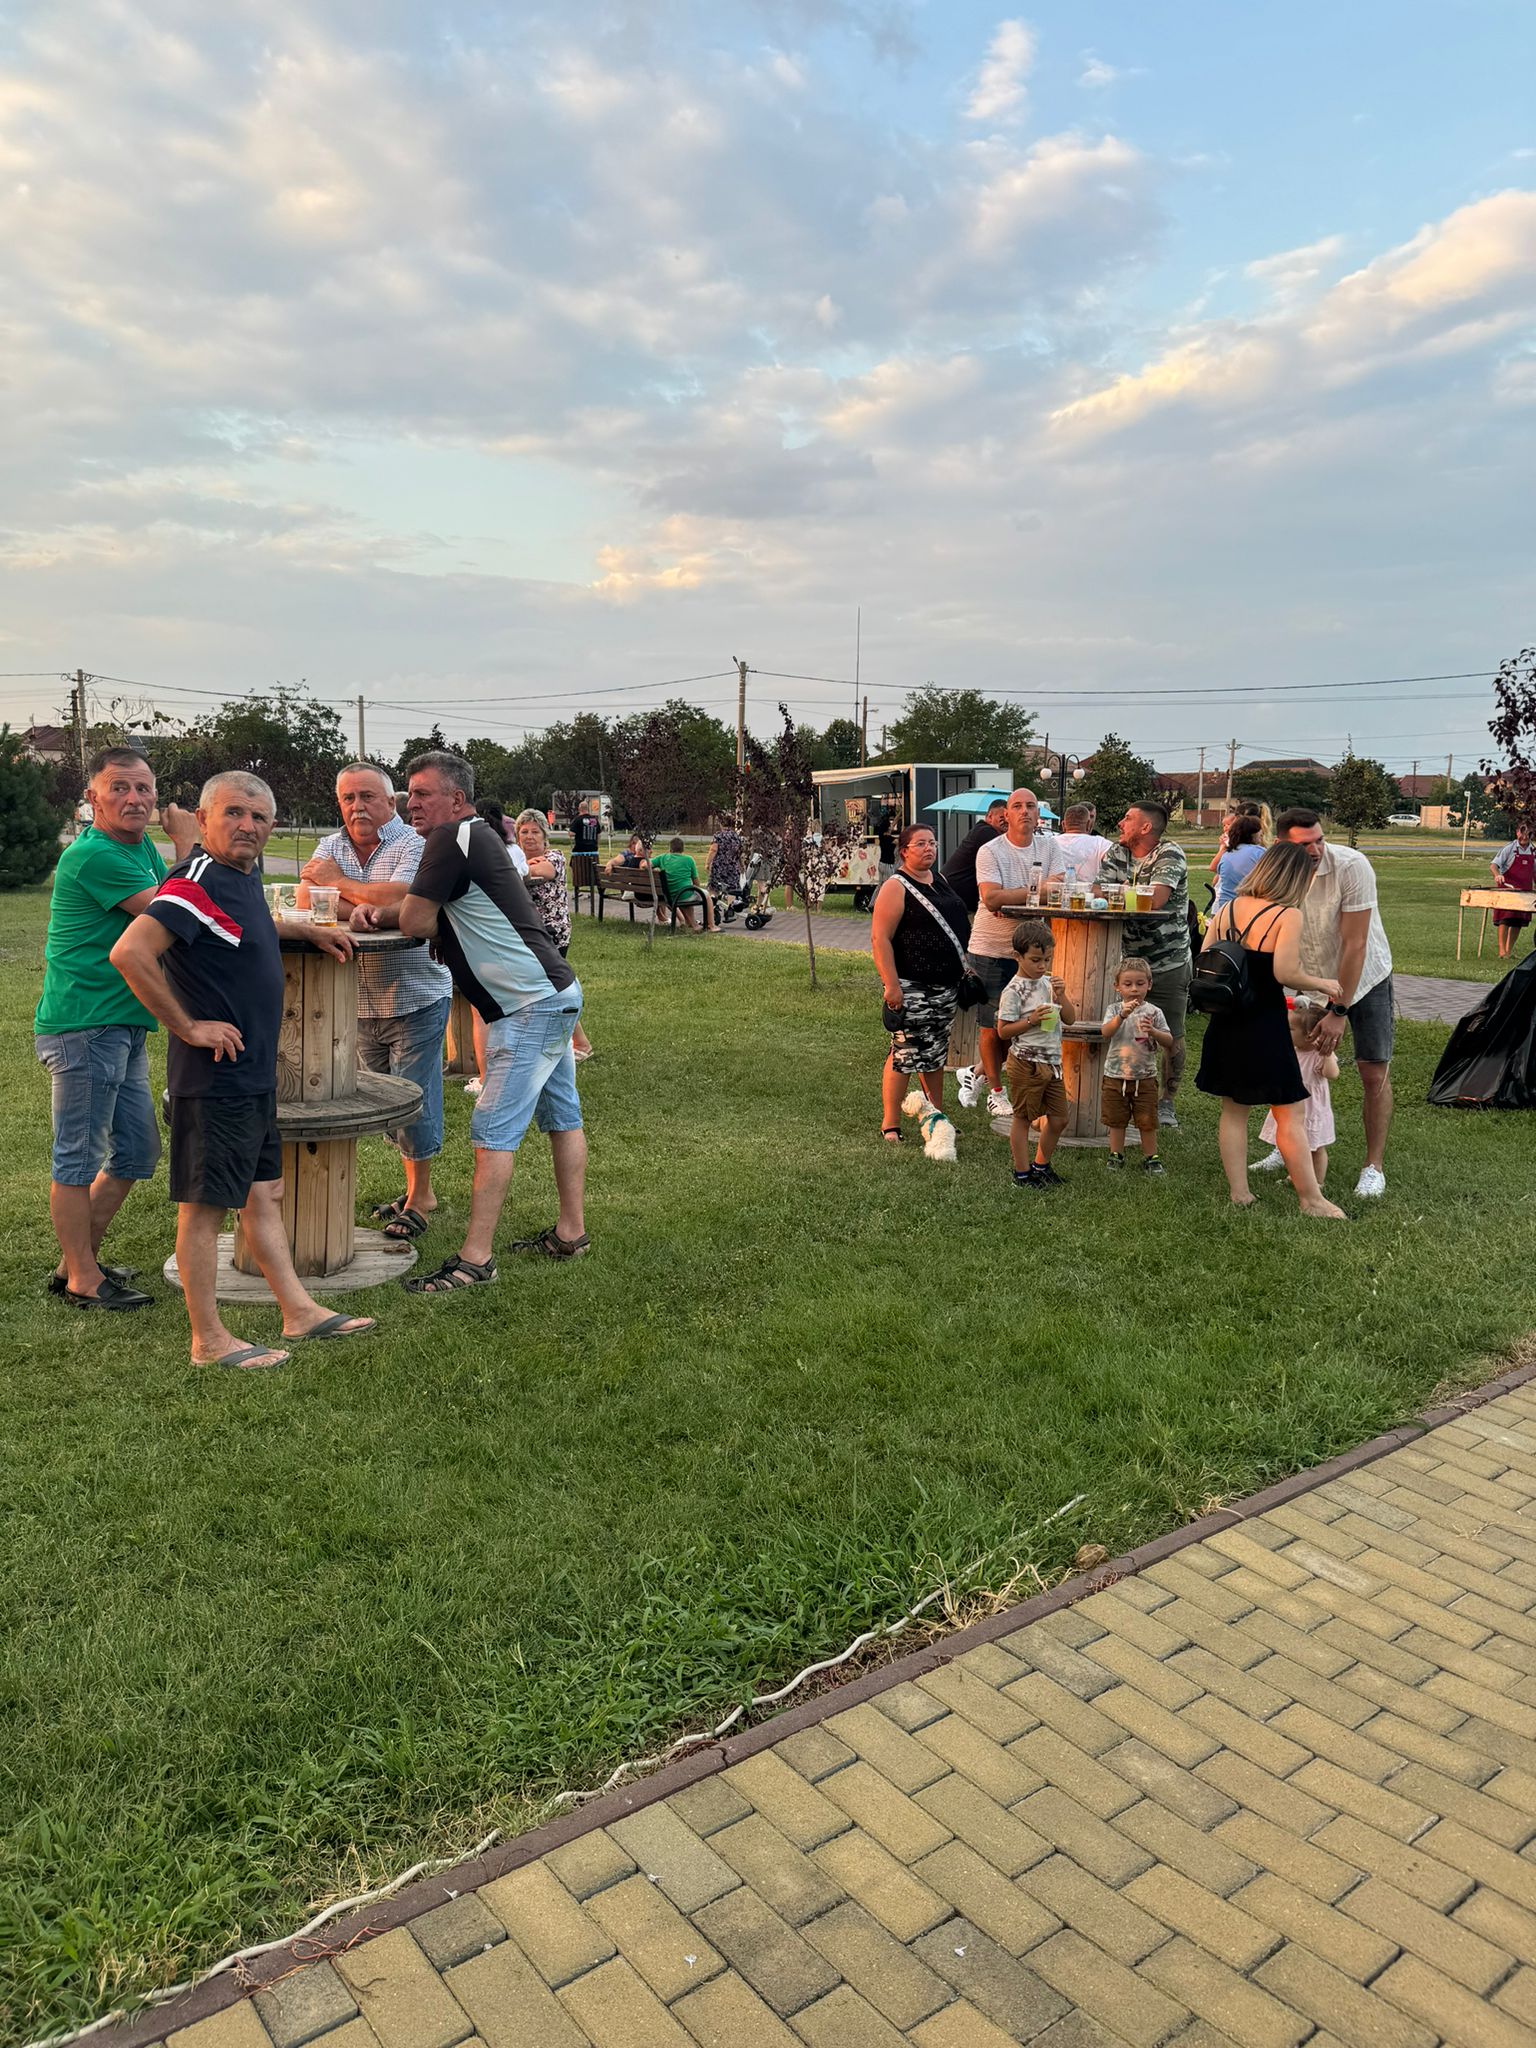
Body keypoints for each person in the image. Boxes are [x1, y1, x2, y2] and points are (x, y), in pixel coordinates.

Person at [110, 772, 377, 1369]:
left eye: (259, 817)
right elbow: (130, 952)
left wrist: (295, 929)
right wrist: (189, 1027)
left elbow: (234, 927)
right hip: (215, 1079)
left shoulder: (241, 877)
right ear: (204, 819)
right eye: (233, 813)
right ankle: (208, 1341)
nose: (247, 826)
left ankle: (299, 1312)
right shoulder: (196, 879)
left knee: (263, 1193)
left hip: (252, 1074)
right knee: (204, 1208)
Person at [352, 751, 588, 1287]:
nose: (411, 803)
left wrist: (389, 913)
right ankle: (571, 1232)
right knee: (562, 1117)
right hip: (556, 991)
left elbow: (417, 918)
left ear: (456, 799)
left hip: (526, 1006)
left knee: (492, 1130)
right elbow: (443, 912)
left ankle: (475, 1260)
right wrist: (397, 915)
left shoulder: (450, 837)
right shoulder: (478, 835)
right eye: (409, 793)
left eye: (423, 793)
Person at [34, 747, 198, 1307]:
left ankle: (74, 1263)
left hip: (121, 1024)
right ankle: (82, 1278)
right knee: (77, 1157)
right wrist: (188, 845)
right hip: (85, 1024)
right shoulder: (94, 856)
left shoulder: (138, 847)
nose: (134, 799)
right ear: (93, 797)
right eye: (119, 787)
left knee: (135, 1151)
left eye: (144, 788)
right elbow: (176, 915)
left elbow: (173, 898)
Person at [301, 763, 454, 1241]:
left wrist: (337, 884)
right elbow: (306, 896)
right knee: (383, 1099)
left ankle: (422, 1196)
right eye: (348, 798)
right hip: (358, 1001)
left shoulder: (414, 843)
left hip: (414, 994)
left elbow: (407, 896)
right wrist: (364, 907)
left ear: (391, 802)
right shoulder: (330, 845)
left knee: (414, 1096)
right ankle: (411, 1189)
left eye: (367, 796)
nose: (357, 807)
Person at [1194, 841, 1347, 1219]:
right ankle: (1311, 1200)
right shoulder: (1287, 915)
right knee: (1290, 1112)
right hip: (1264, 1022)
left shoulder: (1228, 907)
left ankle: (1240, 1193)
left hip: (1227, 1019)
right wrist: (1323, 983)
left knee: (1234, 1110)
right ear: (1295, 878)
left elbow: (1205, 955)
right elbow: (1285, 973)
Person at [1265, 806, 1395, 1198]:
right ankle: (1289, 1144)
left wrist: (1339, 1010)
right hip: (1308, 978)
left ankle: (1373, 1167)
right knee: (1293, 1064)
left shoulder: (1351, 866)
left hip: (1364, 977)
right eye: (1305, 844)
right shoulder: (1276, 870)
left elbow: (1355, 943)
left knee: (1372, 1070)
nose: (1316, 849)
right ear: (1280, 844)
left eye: (1319, 840)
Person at [964, 788, 1065, 1117]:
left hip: (1031, 952)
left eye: (1030, 806)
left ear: (1039, 815)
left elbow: (1059, 888)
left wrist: (1013, 897)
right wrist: (1037, 891)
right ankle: (996, 1092)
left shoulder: (1049, 846)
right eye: (1017, 806)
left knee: (1023, 1024)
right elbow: (991, 899)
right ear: (1005, 815)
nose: (1024, 811)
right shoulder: (990, 851)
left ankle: (977, 1072)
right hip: (991, 948)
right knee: (993, 1026)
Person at [870, 824, 971, 1143]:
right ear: (904, 851)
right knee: (905, 1053)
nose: (929, 848)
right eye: (921, 844)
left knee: (936, 1053)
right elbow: (880, 939)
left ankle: (936, 1118)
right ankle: (891, 1123)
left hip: (945, 985)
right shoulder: (896, 886)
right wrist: (891, 985)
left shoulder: (938, 879)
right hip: (911, 985)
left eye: (933, 843)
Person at [1097, 803, 1191, 1129]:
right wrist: (1128, 892)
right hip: (1127, 963)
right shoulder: (1117, 852)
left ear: (1146, 828)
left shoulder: (1169, 853)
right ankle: (1118, 1092)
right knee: (1118, 1026)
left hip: (1168, 961)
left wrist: (1120, 891)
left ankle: (1166, 1101)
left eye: (1128, 819)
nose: (1120, 823)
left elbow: (1157, 899)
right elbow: (1097, 891)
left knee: (1171, 1035)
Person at [997, 920, 1075, 1189]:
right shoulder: (1013, 991)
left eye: (1047, 959)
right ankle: (1022, 1173)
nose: (1042, 966)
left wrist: (1062, 996)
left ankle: (1041, 1166)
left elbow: (1070, 1019)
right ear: (1017, 956)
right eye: (1035, 960)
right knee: (1023, 1118)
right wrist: (1031, 1020)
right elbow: (1003, 1031)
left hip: (1052, 1062)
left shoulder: (1047, 983)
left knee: (1060, 1118)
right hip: (1026, 1062)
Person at [514, 808, 593, 1058]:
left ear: (544, 836)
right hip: (528, 934)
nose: (529, 837)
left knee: (553, 989)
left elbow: (543, 871)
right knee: (546, 988)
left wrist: (522, 867)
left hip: (552, 932)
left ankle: (580, 1044)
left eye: (535, 832)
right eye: (524, 832)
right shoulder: (515, 858)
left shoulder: (554, 856)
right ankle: (562, 1041)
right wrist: (523, 865)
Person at [1098, 956, 1172, 1174]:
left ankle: (1151, 1157)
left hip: (1145, 1076)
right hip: (1115, 1075)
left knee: (1147, 1119)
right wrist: (1121, 1016)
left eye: (1140, 984)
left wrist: (1154, 1031)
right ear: (1117, 987)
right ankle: (1116, 1154)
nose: (1134, 989)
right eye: (1128, 984)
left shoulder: (1154, 1012)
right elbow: (1106, 1032)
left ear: (1149, 984)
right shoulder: (1114, 1009)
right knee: (1116, 1119)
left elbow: (1169, 1041)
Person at [1258, 997, 1339, 1188]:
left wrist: (1327, 1056)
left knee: (1316, 1149)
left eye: (1290, 1029)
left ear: (1310, 1036)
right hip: (1291, 1106)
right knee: (1292, 1144)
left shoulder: (1319, 1054)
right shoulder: (1292, 1050)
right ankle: (1295, 1176)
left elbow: (1332, 1074)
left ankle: (1317, 1181)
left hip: (1312, 1110)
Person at [940, 796, 1008, 916]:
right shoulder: (986, 832)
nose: (1007, 822)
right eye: (1002, 818)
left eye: (1009, 818)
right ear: (990, 816)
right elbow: (1007, 858)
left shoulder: (981, 831)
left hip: (954, 896)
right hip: (955, 897)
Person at [1489, 821, 1535, 959]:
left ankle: (1509, 951)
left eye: (1528, 834)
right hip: (1508, 889)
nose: (1524, 837)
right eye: (1522, 833)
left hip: (1525, 891)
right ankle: (1502, 951)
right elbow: (1493, 865)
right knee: (1505, 919)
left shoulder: (1533, 851)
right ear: (1517, 832)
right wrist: (1497, 875)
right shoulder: (1509, 848)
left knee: (1518, 921)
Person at [651, 837, 716, 932]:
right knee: (706, 895)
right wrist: (696, 888)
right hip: (682, 894)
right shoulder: (689, 859)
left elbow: (644, 865)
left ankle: (691, 923)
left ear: (670, 849)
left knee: (685, 892)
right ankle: (711, 926)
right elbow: (696, 882)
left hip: (669, 894)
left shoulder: (662, 858)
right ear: (682, 849)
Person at [1213, 812, 1266, 910]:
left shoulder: (1227, 854)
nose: (1261, 834)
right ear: (1252, 833)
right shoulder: (1259, 852)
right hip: (1248, 907)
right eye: (1259, 831)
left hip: (1224, 907)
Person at [1055, 803, 1111, 888]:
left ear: (1063, 825)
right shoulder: (1101, 843)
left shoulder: (1051, 842)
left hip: (1055, 893)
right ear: (1088, 824)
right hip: (1089, 894)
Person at [709, 814, 744, 904]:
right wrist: (741, 865)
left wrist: (707, 863)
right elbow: (739, 853)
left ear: (721, 824)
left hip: (719, 866)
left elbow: (713, 850)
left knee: (714, 888)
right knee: (731, 890)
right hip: (733, 866)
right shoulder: (736, 837)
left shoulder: (718, 836)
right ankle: (730, 907)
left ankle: (713, 906)